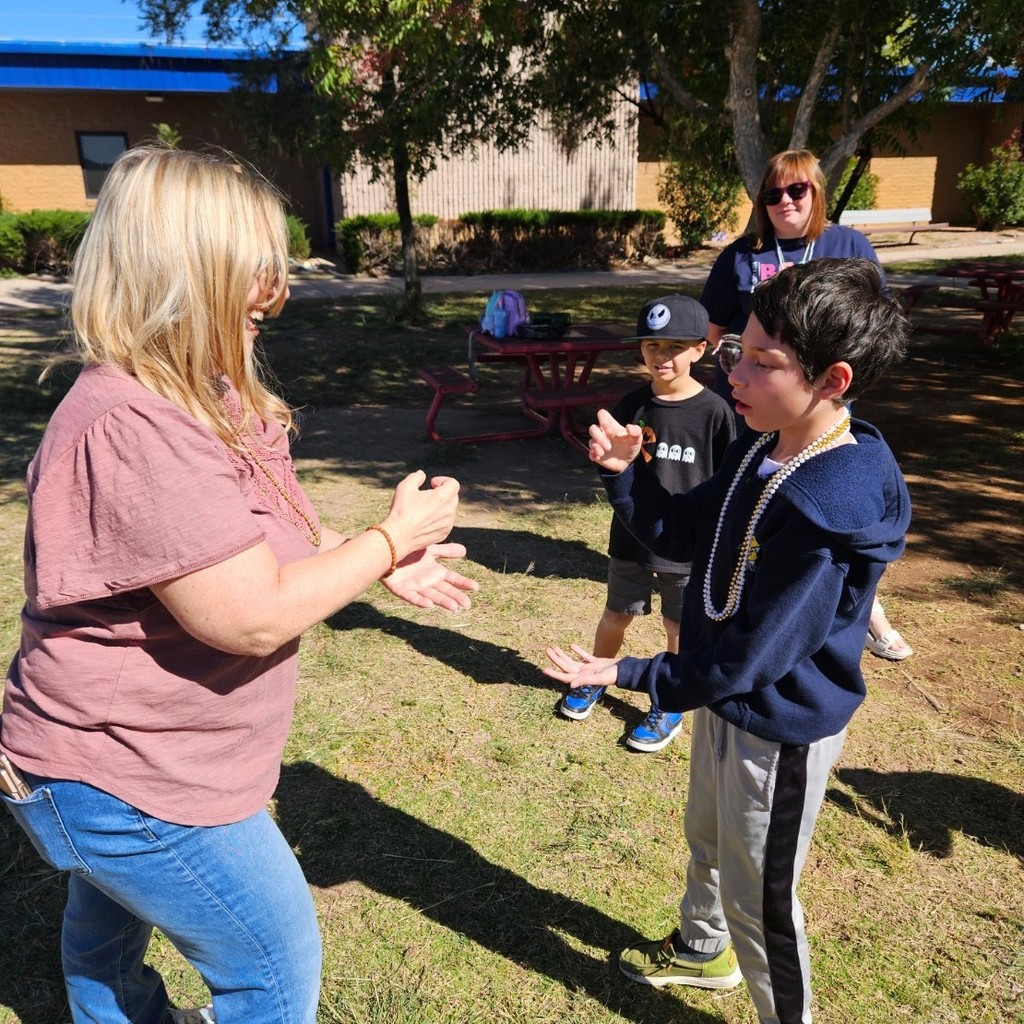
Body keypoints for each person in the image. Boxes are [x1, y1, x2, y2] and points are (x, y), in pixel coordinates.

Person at [0, 146, 479, 1024]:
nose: (276, 289)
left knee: (105, 936)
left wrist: (373, 558)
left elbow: (266, 535)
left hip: (135, 766)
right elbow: (250, 617)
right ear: (180, 271)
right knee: (274, 961)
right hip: (127, 780)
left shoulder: (204, 394)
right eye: (254, 264)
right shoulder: (138, 425)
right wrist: (387, 538)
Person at [544, 258, 911, 1024]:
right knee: (708, 838)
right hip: (721, 696)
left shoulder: (828, 507)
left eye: (761, 362)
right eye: (737, 351)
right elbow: (682, 531)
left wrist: (633, 673)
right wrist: (626, 476)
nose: (733, 373)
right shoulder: (760, 443)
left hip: (775, 726)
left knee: (760, 899)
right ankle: (703, 950)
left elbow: (754, 657)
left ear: (833, 380)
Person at [701, 148, 913, 661]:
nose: (784, 201)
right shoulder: (742, 254)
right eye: (771, 193)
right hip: (757, 410)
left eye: (796, 190)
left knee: (816, 520)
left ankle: (868, 613)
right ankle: (741, 588)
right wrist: (748, 367)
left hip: (818, 410)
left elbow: (871, 330)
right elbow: (714, 328)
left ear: (817, 192)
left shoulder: (847, 245)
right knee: (754, 507)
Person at [559, 295, 735, 751]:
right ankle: (594, 674)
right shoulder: (632, 404)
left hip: (686, 546)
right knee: (616, 614)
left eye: (675, 346)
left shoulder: (717, 412)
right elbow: (615, 467)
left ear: (700, 349)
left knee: (679, 628)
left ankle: (671, 699)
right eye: (652, 345)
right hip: (632, 538)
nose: (662, 356)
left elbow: (727, 481)